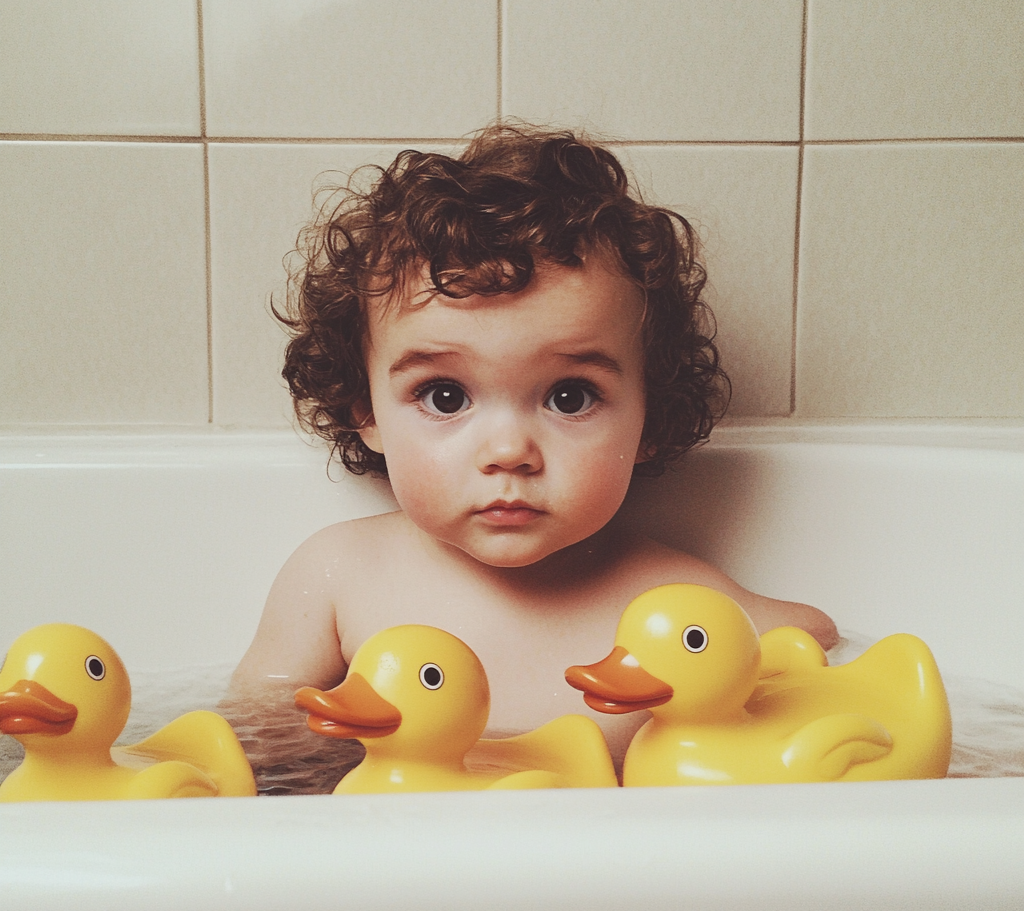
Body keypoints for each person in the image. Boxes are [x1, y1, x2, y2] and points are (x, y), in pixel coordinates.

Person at [231, 123, 837, 764]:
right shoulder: (340, 576)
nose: (509, 452)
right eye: (445, 397)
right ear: (367, 410)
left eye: (569, 397)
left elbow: (815, 640)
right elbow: (257, 733)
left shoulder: (669, 604)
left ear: (649, 420)